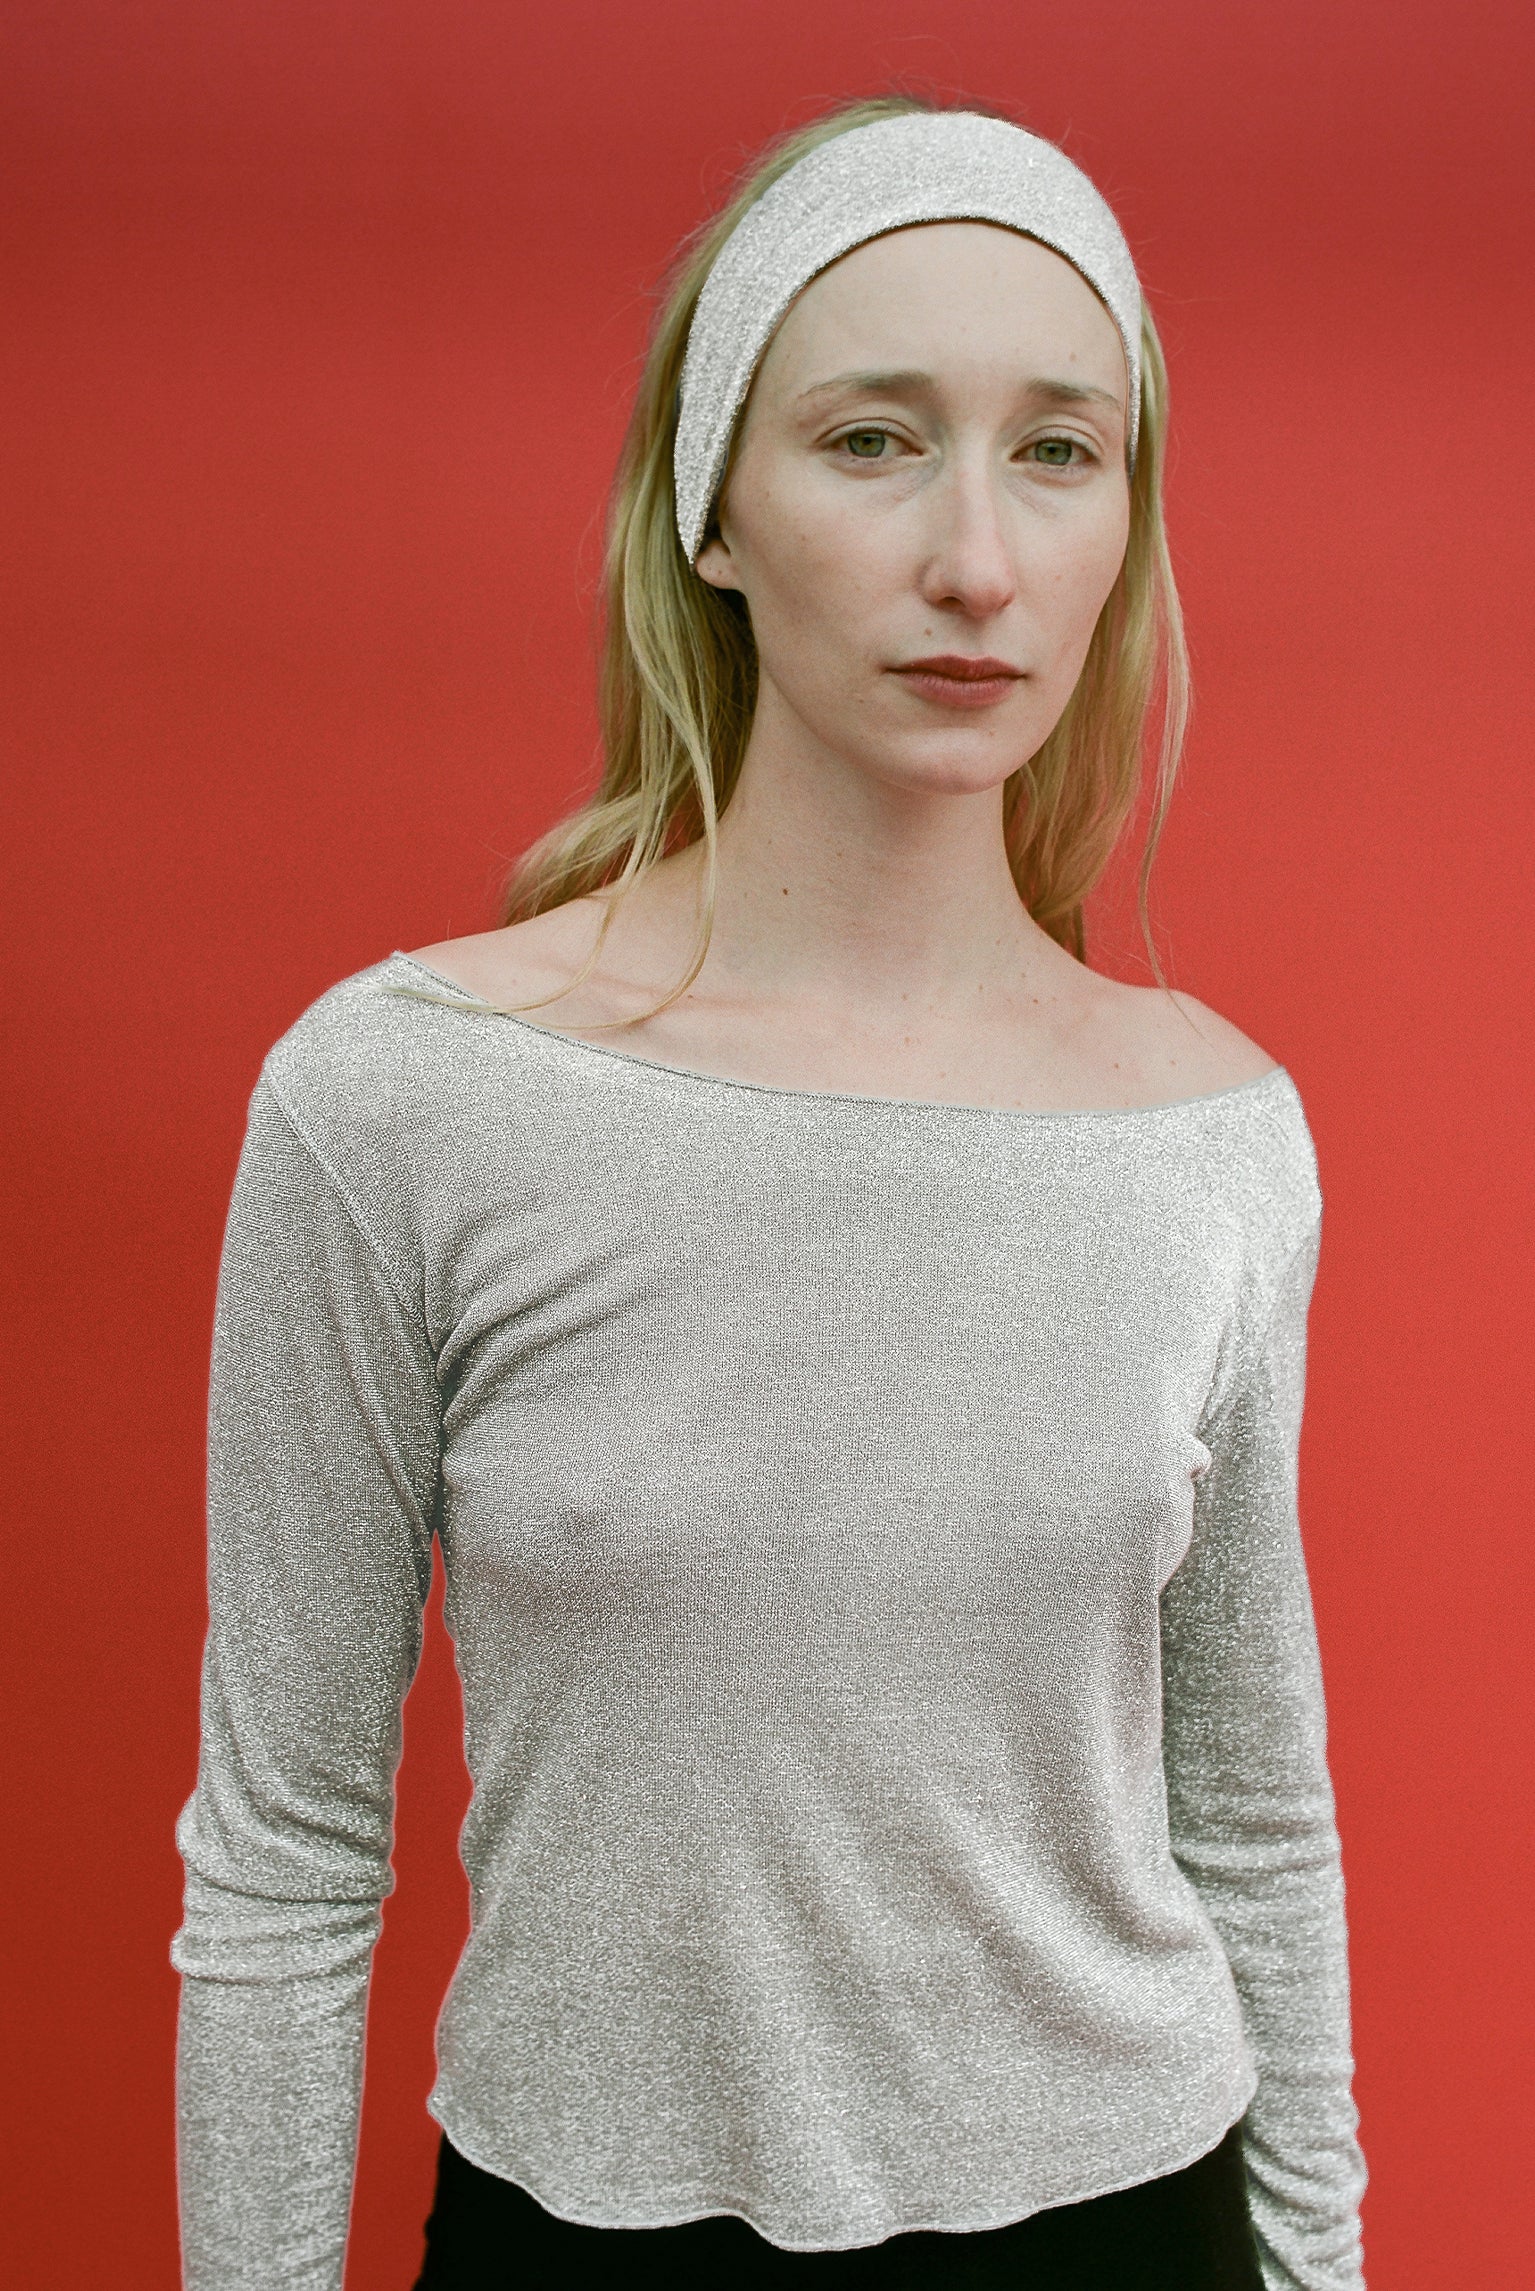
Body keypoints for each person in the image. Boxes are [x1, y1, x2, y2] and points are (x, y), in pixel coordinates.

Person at [170, 96, 1368, 2291]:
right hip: (583, 2234)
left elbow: (1256, 1822)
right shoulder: (406, 1101)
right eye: (872, 440)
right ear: (710, 503)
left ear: (1126, 524)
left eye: (1060, 450)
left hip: (1133, 2231)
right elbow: (285, 1852)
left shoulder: (1211, 1137)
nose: (977, 561)